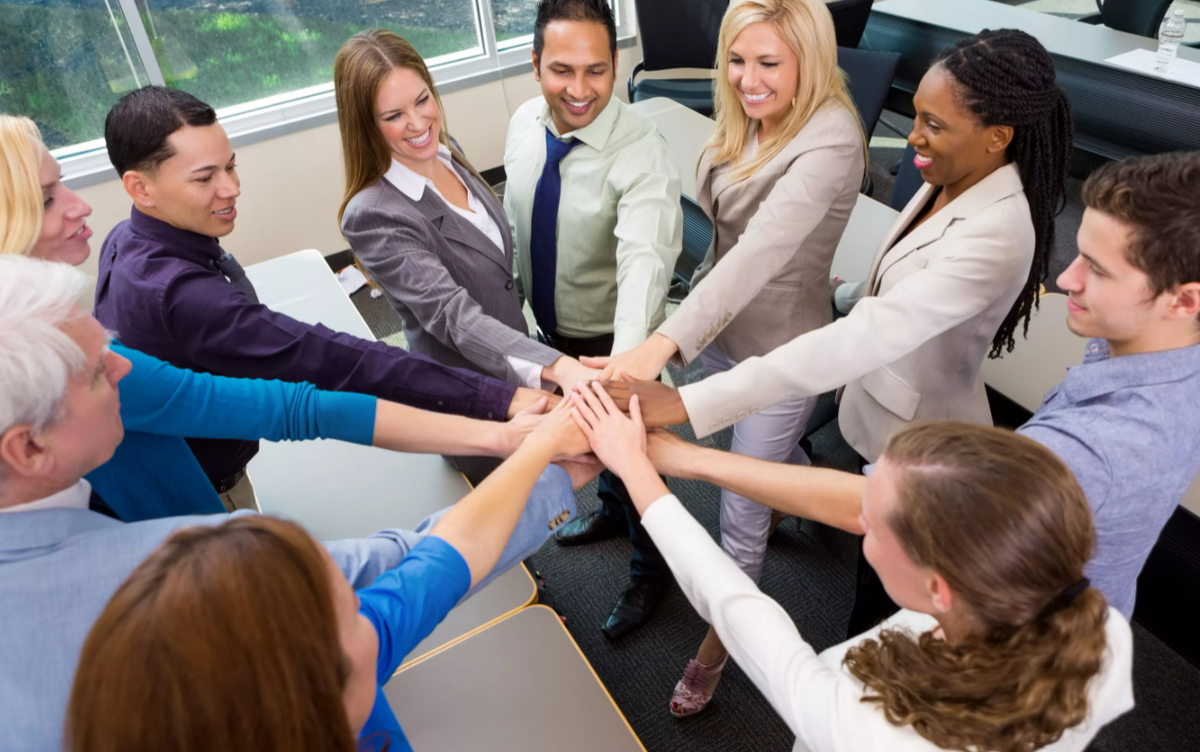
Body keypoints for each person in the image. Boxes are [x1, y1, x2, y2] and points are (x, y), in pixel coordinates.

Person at [0, 256, 597, 752]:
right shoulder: (189, 576)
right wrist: (540, 459)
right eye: (97, 373)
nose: (126, 366)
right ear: (27, 447)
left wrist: (533, 458)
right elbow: (405, 574)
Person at [603, 28, 1073, 635]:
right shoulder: (952, 174)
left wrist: (683, 401)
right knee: (868, 555)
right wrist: (844, 295)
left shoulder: (998, 232)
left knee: (883, 602)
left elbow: (867, 335)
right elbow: (902, 284)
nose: (911, 137)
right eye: (915, 116)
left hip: (920, 437)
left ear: (997, 136)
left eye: (933, 124)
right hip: (872, 407)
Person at [0, 115, 556, 520]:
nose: (80, 205)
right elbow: (312, 391)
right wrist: (499, 415)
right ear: (140, 189)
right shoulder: (141, 325)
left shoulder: (126, 238)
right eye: (48, 198)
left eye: (230, 166)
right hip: (190, 506)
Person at [570, 383, 1133, 752]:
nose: (856, 516)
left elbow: (738, 609)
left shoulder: (871, 731)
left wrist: (636, 473)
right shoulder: (1089, 621)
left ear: (938, 587)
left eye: (871, 521)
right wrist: (689, 459)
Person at [582, 0, 864, 711]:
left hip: (779, 353)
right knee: (762, 460)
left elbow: (759, 255)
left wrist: (660, 342)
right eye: (736, 60)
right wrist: (679, 327)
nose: (746, 79)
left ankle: (715, 652)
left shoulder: (831, 138)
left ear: (809, 59)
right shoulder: (750, 116)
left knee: (740, 511)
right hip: (722, 337)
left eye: (768, 62)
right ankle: (804, 488)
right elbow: (724, 242)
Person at [66, 399, 589, 752]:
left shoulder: (323, 652)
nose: (376, 607)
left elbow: (448, 553)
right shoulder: (338, 652)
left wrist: (550, 457)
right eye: (353, 610)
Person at [335, 30, 598, 482]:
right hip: (469, 402)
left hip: (515, 362)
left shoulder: (446, 149)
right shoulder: (374, 214)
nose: (418, 123)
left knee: (545, 493)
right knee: (503, 509)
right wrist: (555, 365)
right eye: (394, 115)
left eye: (422, 100)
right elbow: (452, 316)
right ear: (365, 124)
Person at [503, 0, 683, 639]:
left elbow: (645, 263)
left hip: (613, 344)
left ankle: (653, 571)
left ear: (615, 65)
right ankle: (609, 511)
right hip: (553, 336)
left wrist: (623, 376)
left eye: (596, 71)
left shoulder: (642, 151)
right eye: (561, 70)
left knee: (635, 461)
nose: (579, 90)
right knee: (596, 459)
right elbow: (517, 225)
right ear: (535, 65)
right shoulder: (524, 124)